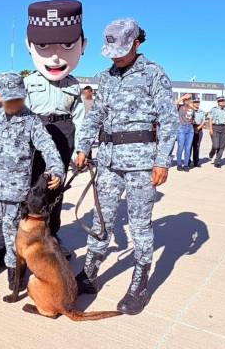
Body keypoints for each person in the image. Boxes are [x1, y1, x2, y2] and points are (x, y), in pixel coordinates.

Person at [73, 18, 179, 315]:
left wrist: (162, 161)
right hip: (107, 161)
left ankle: (139, 283)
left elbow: (169, 119)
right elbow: (94, 116)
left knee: (139, 224)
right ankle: (90, 272)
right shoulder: (105, 77)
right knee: (101, 221)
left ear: (137, 43)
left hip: (141, 164)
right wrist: (83, 146)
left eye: (121, 49)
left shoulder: (153, 74)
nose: (116, 56)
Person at [0, 72, 64, 289]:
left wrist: (57, 169)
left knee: (12, 232)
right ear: (0, 95)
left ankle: (14, 270)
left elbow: (48, 146)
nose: (14, 102)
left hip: (17, 191)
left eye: (18, 98)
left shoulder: (31, 120)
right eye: (10, 98)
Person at [24, 0, 87, 259]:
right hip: (35, 133)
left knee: (55, 189)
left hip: (64, 133)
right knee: (28, 187)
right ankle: (23, 239)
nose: (55, 55)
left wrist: (81, 149)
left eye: (67, 45)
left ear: (82, 46)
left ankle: (52, 238)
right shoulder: (27, 82)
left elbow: (81, 117)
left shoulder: (74, 84)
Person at [208, 96, 225, 168]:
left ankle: (217, 161)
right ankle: (212, 152)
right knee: (216, 145)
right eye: (221, 101)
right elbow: (210, 119)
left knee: (221, 146)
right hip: (215, 127)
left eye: (223, 101)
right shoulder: (214, 109)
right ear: (218, 102)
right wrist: (210, 129)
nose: (223, 102)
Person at [175, 93, 195, 171]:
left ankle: (186, 165)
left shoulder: (192, 108)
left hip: (190, 129)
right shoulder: (180, 106)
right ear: (184, 99)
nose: (188, 100)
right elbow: (175, 103)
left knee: (188, 148)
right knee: (180, 147)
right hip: (181, 128)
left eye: (189, 99)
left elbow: (193, 118)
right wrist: (183, 97)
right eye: (187, 99)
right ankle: (179, 164)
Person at [190, 97, 206, 167]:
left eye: (198, 102)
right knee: (189, 146)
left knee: (197, 146)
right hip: (190, 128)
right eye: (195, 102)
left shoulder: (202, 112)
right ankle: (187, 161)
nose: (197, 103)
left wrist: (198, 128)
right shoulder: (189, 111)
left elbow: (203, 121)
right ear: (192, 103)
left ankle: (196, 162)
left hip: (199, 129)